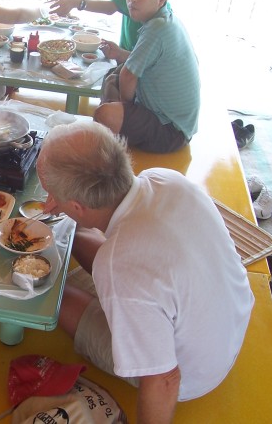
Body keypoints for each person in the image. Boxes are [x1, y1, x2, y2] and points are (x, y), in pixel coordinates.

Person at [36, 121, 254, 423]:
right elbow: (137, 265)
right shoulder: (165, 179)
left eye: (53, 196)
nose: (50, 202)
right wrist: (65, 212)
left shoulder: (119, 263)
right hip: (227, 328)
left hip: (191, 372)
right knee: (87, 254)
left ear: (77, 205)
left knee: (49, 295)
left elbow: (165, 380)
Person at [95, 0, 199, 154]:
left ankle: (112, 142)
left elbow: (128, 75)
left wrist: (124, 108)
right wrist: (120, 54)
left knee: (105, 112)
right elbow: (147, 62)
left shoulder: (156, 29)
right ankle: (115, 127)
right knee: (113, 75)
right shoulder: (167, 19)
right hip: (178, 122)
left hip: (171, 131)